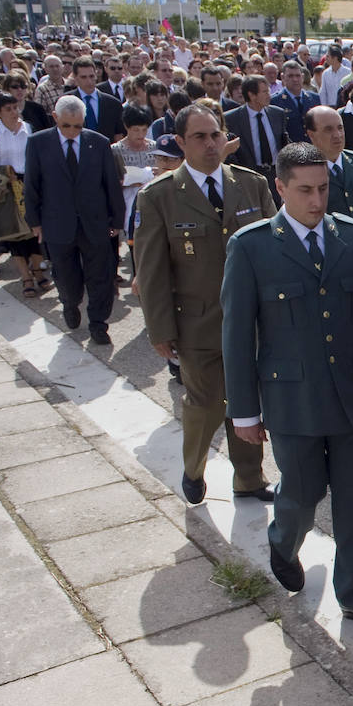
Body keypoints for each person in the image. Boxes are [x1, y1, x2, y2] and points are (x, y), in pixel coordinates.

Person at [221, 142, 353, 634]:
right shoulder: (252, 246)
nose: (317, 200)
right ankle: (283, 539)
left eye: (322, 188)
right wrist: (244, 412)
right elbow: (237, 335)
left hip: (352, 394)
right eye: (305, 190)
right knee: (301, 491)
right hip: (291, 399)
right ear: (280, 187)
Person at [132, 104, 275, 504]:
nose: (211, 144)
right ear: (180, 142)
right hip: (198, 324)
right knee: (207, 403)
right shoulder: (159, 196)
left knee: (247, 400)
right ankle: (194, 468)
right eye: (199, 137)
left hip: (251, 322)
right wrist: (160, 330)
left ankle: (249, 478)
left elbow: (275, 250)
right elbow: (152, 270)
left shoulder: (250, 185)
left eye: (215, 135)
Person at [24, 96, 125, 346]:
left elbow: (110, 183)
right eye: (66, 126)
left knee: (100, 277)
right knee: (67, 277)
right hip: (57, 222)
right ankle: (70, 303)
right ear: (55, 119)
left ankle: (99, 323)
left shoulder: (98, 143)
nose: (72, 132)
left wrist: (117, 218)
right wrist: (35, 221)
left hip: (95, 221)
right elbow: (32, 185)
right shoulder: (38, 143)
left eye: (77, 126)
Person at [0, 93, 46, 298]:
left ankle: (38, 270)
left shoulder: (29, 128)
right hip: (4, 188)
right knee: (14, 235)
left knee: (34, 230)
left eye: (15, 107)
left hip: (29, 185)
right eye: (8, 109)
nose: (14, 112)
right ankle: (26, 277)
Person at [303, 105, 353, 239]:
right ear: (311, 135)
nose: (337, 135)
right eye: (328, 130)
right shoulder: (304, 172)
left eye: (340, 128)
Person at [223, 76, 290, 198]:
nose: (269, 95)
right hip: (249, 176)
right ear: (252, 95)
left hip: (276, 174)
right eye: (264, 92)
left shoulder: (277, 114)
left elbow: (284, 141)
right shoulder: (232, 119)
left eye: (268, 91)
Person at [64, 58, 124, 142]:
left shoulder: (113, 104)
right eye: (83, 77)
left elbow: (120, 134)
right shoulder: (66, 102)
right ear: (75, 77)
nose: (89, 81)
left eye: (91, 76)